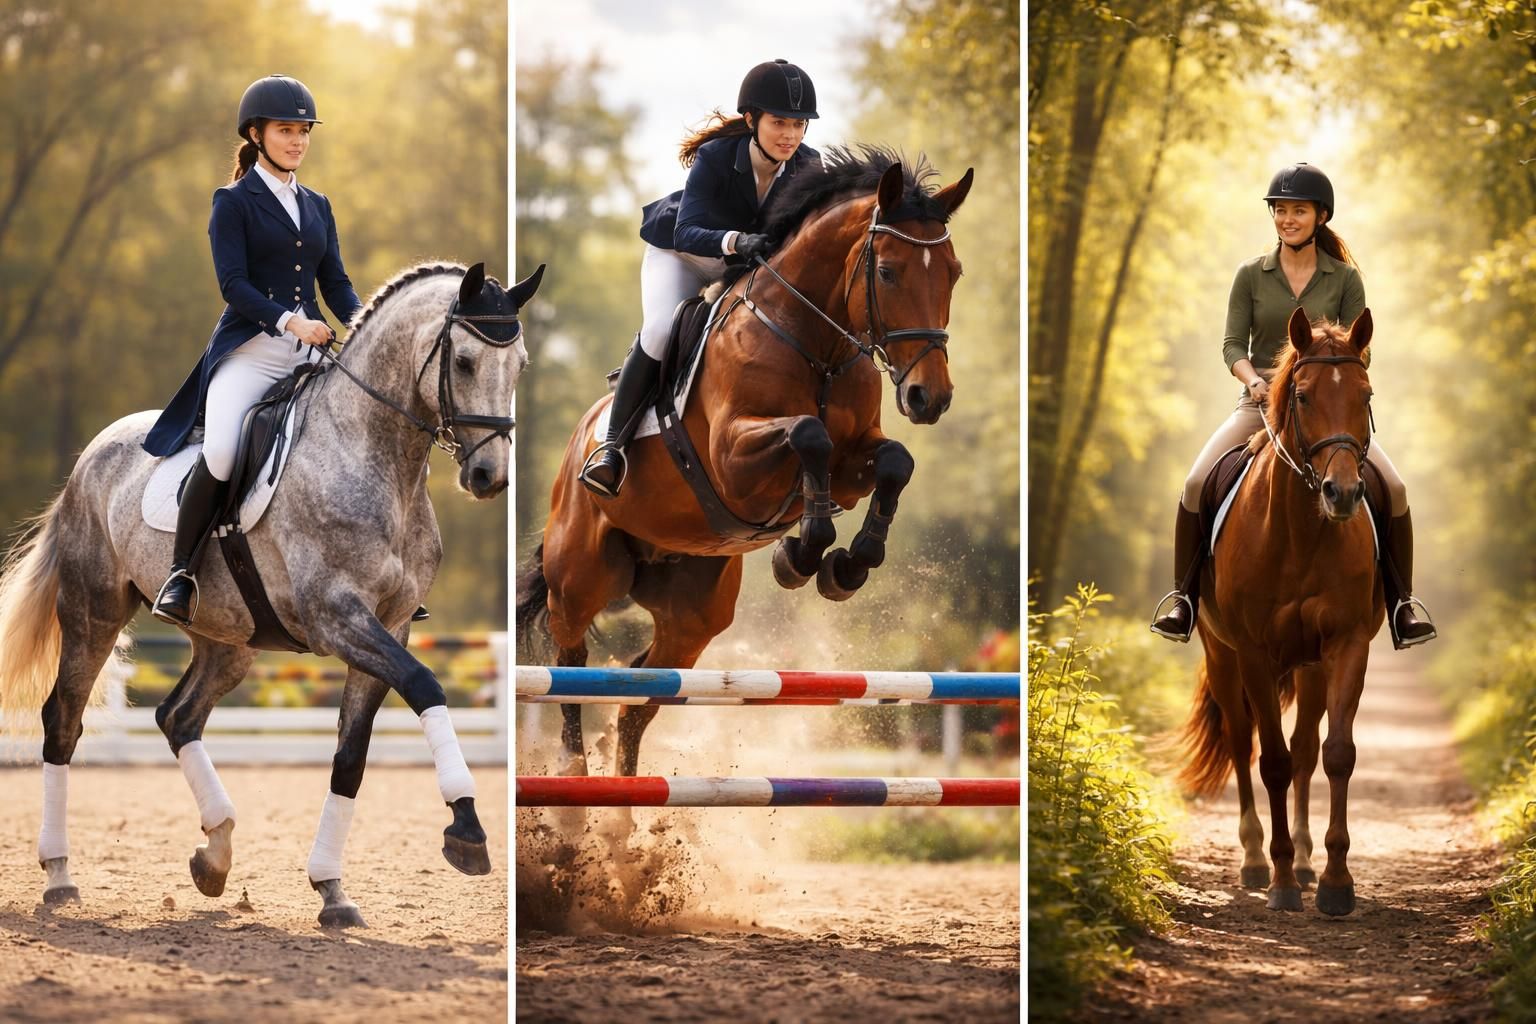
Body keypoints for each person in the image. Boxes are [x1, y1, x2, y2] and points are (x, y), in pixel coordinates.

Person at [1149, 163, 1437, 649]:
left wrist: (1329, 379)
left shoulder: (1345, 279)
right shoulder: (1250, 275)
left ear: (1320, 216)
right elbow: (1232, 344)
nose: (1287, 219)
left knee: (1396, 489)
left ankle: (1401, 605)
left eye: (1298, 210)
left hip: (1326, 408)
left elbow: (1359, 350)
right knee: (1196, 483)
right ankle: (1183, 599)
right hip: (1259, 403)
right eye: (1280, 210)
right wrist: (1253, 381)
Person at [143, 74, 361, 625]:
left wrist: (364, 326)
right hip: (251, 351)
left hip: (309, 351)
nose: (298, 141)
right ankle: (180, 573)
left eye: (304, 131)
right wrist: (291, 321)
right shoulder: (233, 202)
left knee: (365, 431)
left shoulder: (318, 205)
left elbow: (335, 283)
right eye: (286, 130)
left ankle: (379, 564)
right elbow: (233, 285)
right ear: (256, 135)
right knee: (221, 452)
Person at [578, 58, 822, 497]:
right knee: (661, 329)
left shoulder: (809, 166)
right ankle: (611, 448)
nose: (790, 134)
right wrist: (736, 240)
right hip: (683, 255)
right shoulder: (715, 157)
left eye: (799, 124)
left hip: (740, 267)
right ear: (751, 120)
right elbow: (685, 231)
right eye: (779, 122)